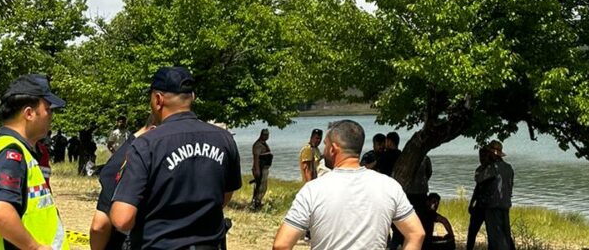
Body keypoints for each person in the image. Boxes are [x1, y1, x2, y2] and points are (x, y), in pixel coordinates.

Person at [110, 66, 241, 250]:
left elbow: (122, 219)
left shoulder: (146, 145)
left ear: (158, 99)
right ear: (192, 97)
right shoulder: (224, 139)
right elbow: (224, 196)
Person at [272, 119, 425, 250]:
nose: (324, 150)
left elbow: (281, 245)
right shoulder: (389, 186)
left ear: (333, 149)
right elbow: (416, 234)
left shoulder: (312, 190)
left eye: (325, 145)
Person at [0, 74, 66, 250]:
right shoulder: (11, 153)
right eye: (48, 109)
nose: (51, 116)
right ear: (29, 113)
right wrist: (34, 247)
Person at [89, 116, 155, 250]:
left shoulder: (134, 147)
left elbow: (99, 226)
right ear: (153, 130)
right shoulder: (126, 159)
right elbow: (100, 225)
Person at [475, 140, 515, 250]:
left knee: (495, 237)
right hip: (505, 204)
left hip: (493, 206)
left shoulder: (492, 168)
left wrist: (484, 164)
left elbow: (478, 178)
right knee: (504, 233)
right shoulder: (509, 167)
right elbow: (510, 185)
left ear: (492, 154)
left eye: (489, 153)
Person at [465, 147, 490, 250]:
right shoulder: (479, 169)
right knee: (471, 231)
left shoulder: (492, 170)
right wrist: (471, 203)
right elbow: (477, 188)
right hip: (479, 205)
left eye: (484, 156)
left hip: (489, 206)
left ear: (489, 156)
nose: (482, 158)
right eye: (480, 156)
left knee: (491, 232)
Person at [252, 128, 274, 210]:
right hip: (260, 168)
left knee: (263, 187)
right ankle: (256, 203)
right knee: (260, 187)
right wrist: (257, 169)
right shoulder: (258, 145)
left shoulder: (264, 144)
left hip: (265, 168)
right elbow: (256, 158)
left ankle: (258, 202)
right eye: (264, 134)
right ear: (261, 135)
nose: (266, 136)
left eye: (267, 135)